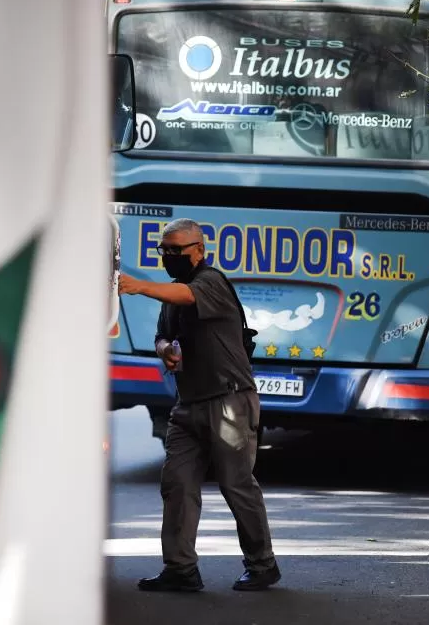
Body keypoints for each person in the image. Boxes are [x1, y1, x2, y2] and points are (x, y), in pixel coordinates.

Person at [117, 218, 280, 592]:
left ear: (200, 250)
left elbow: (188, 296)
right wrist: (165, 349)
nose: (169, 256)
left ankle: (262, 564)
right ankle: (181, 569)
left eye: (177, 250)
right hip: (188, 405)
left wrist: (139, 285)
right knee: (177, 484)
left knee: (236, 485)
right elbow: (162, 335)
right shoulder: (173, 294)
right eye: (164, 250)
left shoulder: (211, 282)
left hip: (228, 402)